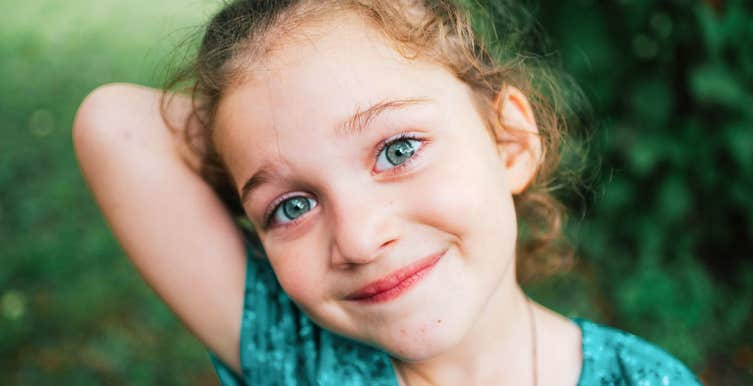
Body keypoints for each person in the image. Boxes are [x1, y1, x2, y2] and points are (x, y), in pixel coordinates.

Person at [72, 1, 702, 385]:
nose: (359, 238)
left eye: (397, 150)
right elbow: (113, 123)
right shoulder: (299, 356)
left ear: (509, 140)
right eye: (292, 206)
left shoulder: (642, 380)